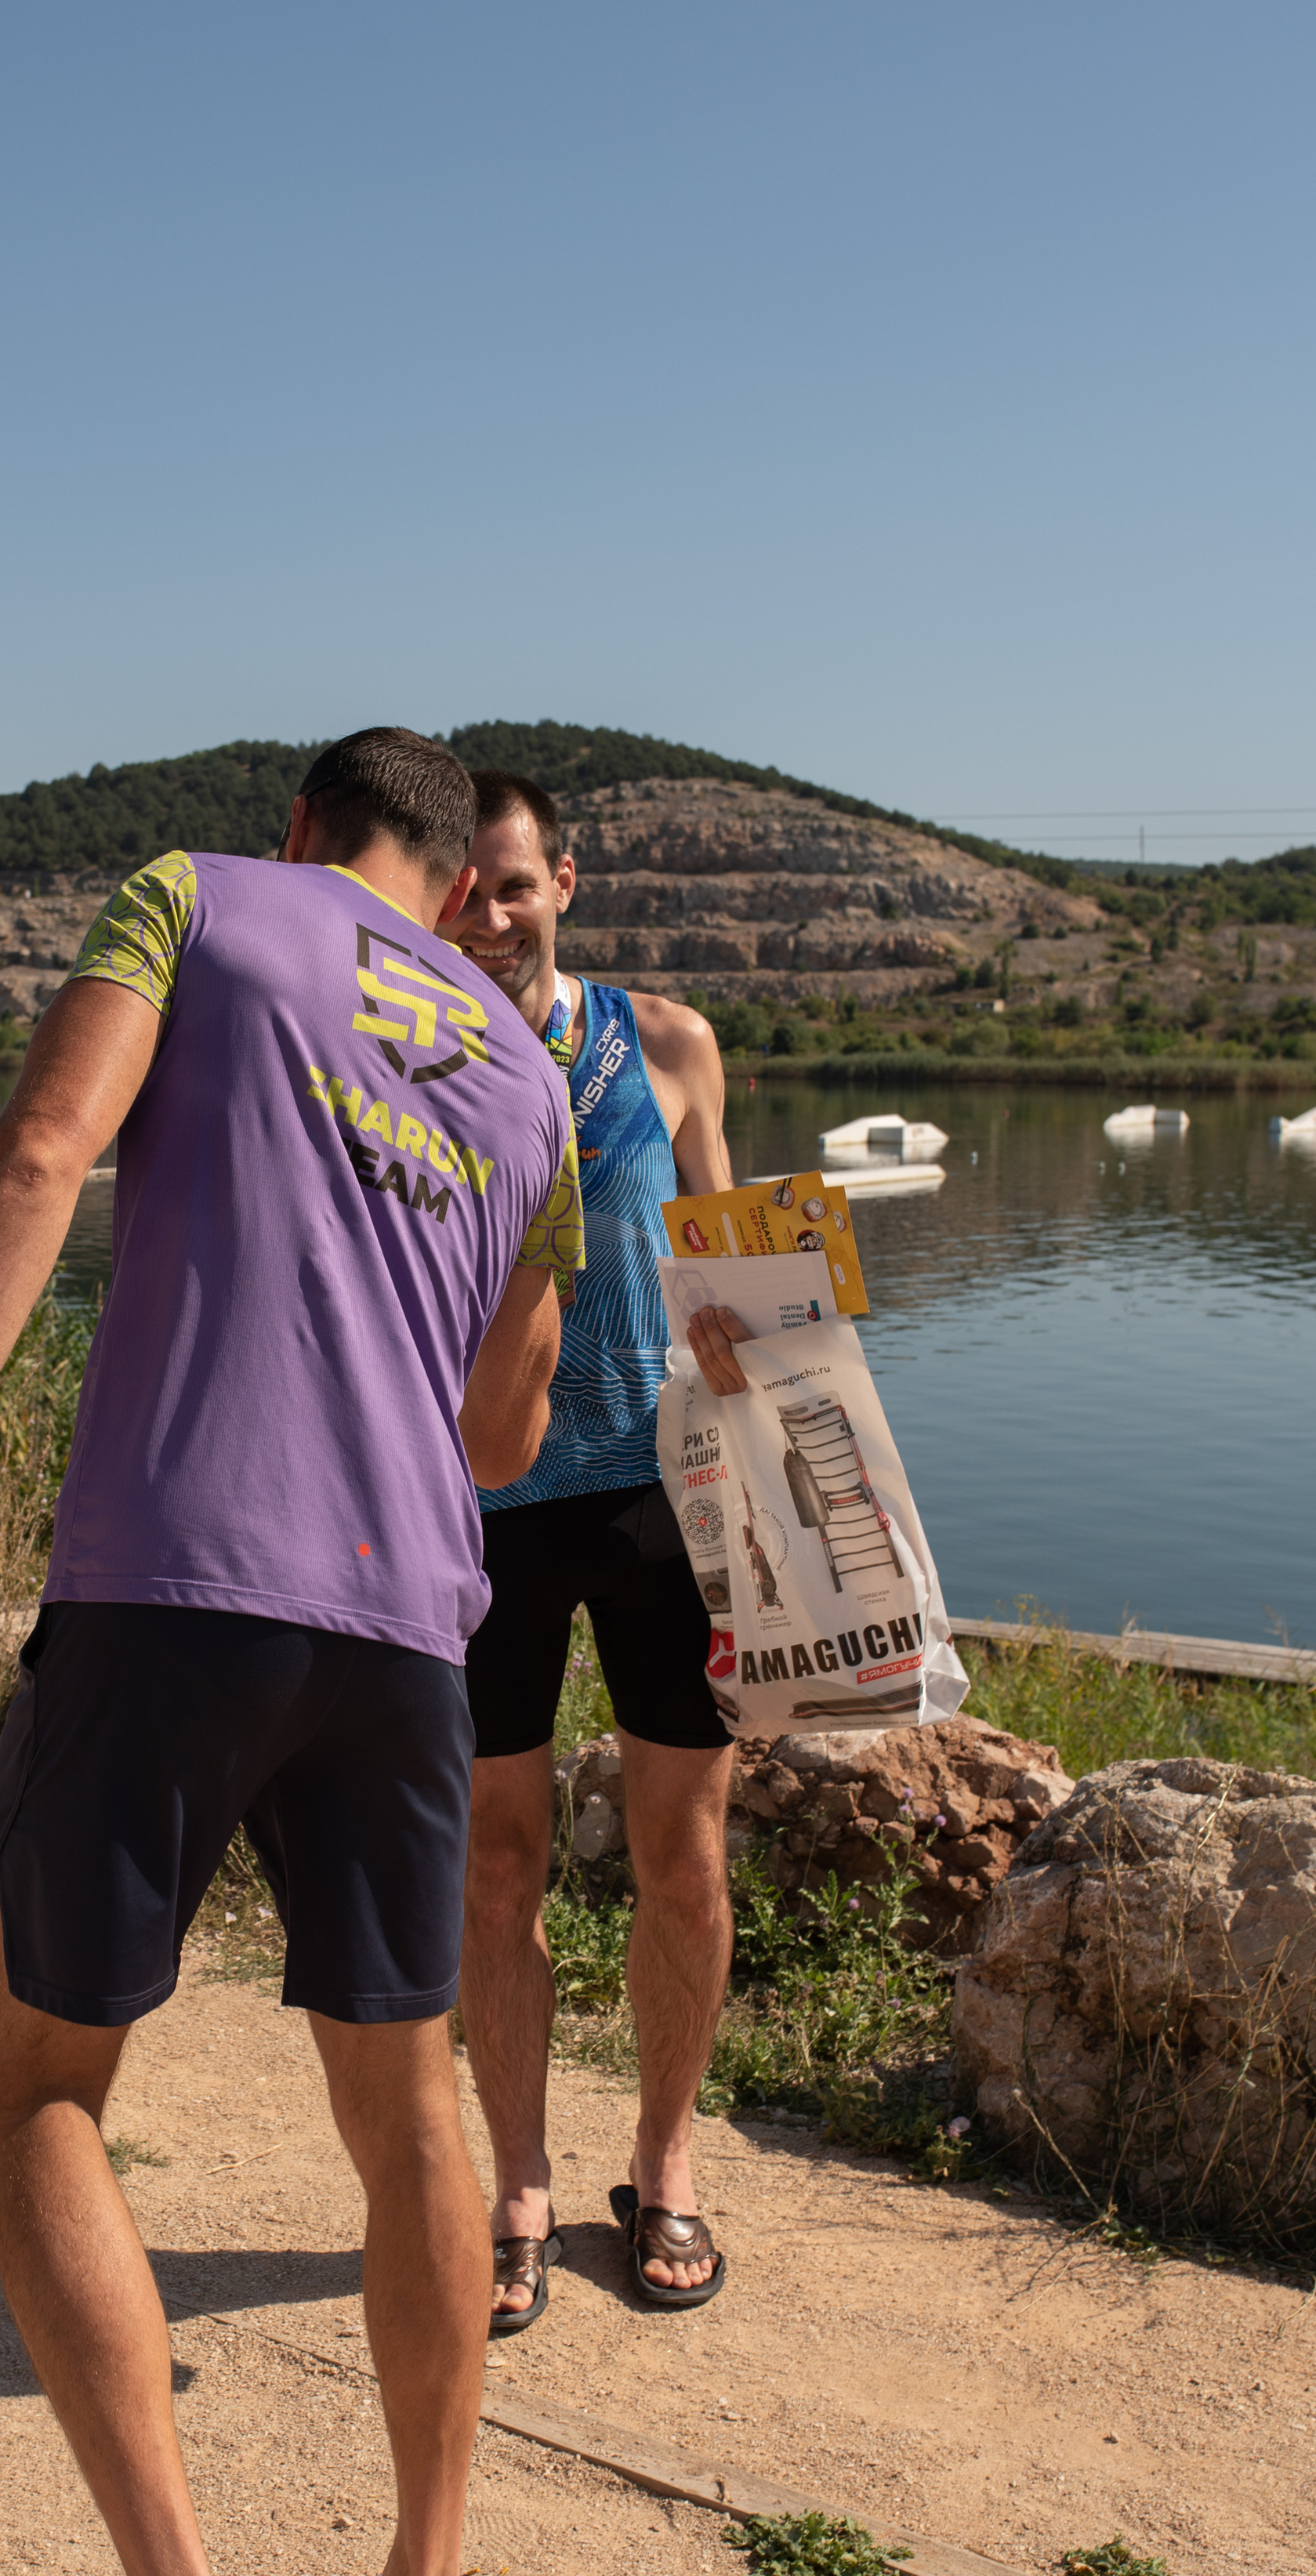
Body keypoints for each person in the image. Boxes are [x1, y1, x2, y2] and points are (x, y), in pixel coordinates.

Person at [0, 729, 582, 2576]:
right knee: (409, 2095)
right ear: (457, 883)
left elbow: (39, 1149)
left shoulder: (200, 900)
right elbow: (509, 1430)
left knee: (33, 2085)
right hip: (409, 1623)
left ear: (305, 836)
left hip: (176, 1581)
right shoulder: (529, 1076)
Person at [439, 770, 737, 2332]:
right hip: (477, 1517)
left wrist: (805, 1517)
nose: (483, 918)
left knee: (681, 1870)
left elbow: (740, 1286)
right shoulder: (401, 1063)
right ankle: (518, 2180)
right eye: (458, 893)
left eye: (508, 886)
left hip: (662, 1510)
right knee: (496, 1872)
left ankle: (666, 2162)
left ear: (563, 881)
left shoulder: (668, 1046)